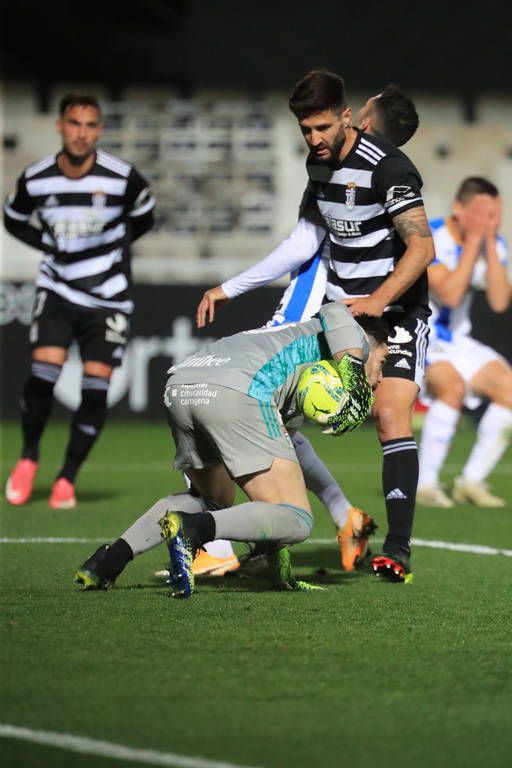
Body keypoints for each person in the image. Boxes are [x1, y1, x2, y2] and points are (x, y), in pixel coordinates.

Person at [196, 70, 434, 581]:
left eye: (323, 127)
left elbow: (422, 247)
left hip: (394, 312)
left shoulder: (389, 168)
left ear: (348, 116)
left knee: (392, 415)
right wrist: (229, 287)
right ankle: (289, 532)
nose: (314, 139)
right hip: (337, 314)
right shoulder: (319, 164)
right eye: (306, 130)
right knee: (270, 411)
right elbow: (304, 243)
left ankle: (397, 550)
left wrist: (379, 300)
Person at [74, 301, 389, 597]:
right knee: (298, 517)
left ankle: (109, 560)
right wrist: (353, 370)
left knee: (213, 498)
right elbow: (334, 309)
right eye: (383, 362)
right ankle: (192, 530)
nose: (382, 378)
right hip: (239, 388)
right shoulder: (354, 339)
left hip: (182, 385)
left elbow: (269, 500)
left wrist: (280, 573)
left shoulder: (295, 352)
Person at [4, 93, 155, 509]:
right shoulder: (36, 178)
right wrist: (50, 247)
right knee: (43, 378)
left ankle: (67, 478)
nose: (81, 133)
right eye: (74, 123)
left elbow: (146, 214)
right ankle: (29, 457)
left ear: (99, 130)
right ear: (60, 126)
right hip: (58, 290)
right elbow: (13, 218)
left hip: (107, 298)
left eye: (90, 125)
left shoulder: (121, 177)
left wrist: (114, 252)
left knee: (94, 390)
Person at [416, 177, 512, 507]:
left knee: (509, 389)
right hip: (419, 337)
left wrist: (488, 245)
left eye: (495, 215)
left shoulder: (494, 245)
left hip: (457, 340)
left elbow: (500, 302)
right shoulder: (428, 238)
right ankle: (425, 486)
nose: (491, 222)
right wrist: (473, 244)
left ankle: (471, 481)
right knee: (452, 387)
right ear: (459, 208)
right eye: (484, 214)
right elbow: (450, 293)